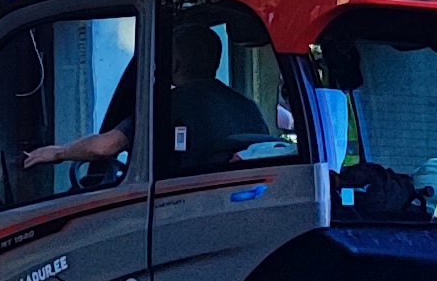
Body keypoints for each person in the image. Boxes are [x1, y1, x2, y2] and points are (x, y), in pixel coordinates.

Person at [21, 26, 271, 173]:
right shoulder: (248, 107)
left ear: (174, 63)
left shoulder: (170, 105)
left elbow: (104, 147)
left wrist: (59, 152)